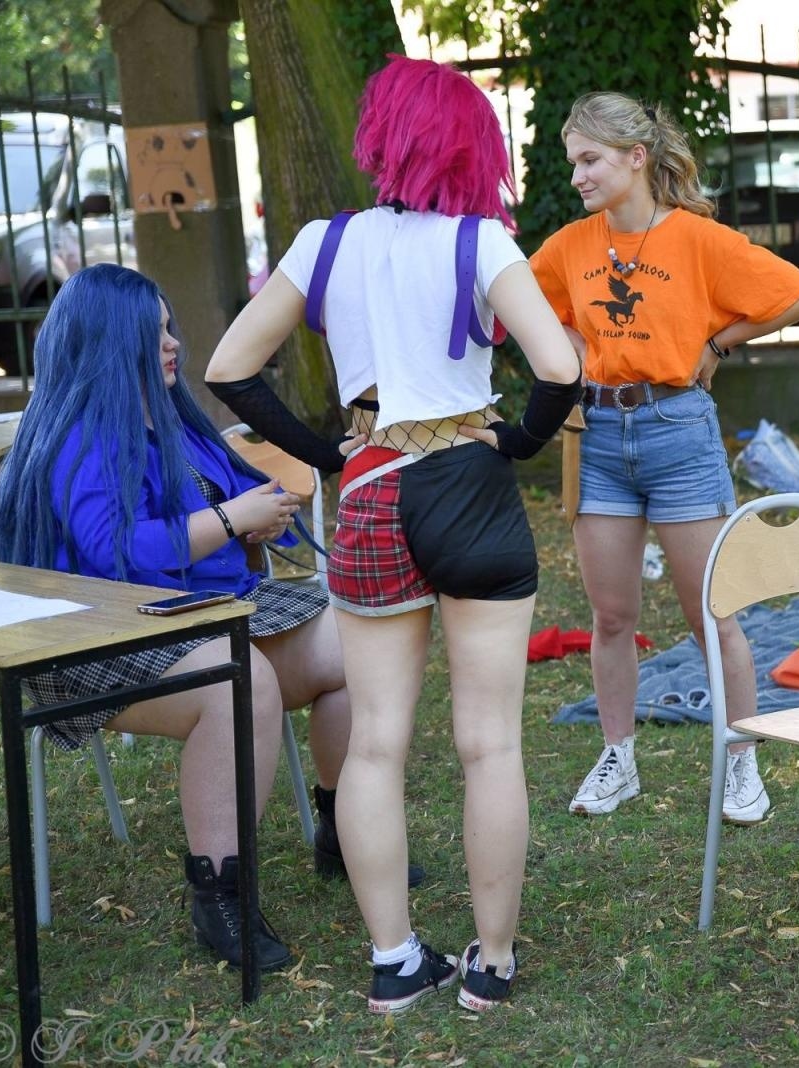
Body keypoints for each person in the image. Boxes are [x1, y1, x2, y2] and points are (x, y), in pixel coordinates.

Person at [205, 56, 579, 1015]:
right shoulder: (483, 242)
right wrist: (519, 441)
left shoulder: (324, 243)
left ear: (382, 135)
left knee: (375, 743)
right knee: (489, 743)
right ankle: (489, 965)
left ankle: (394, 961)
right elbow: (560, 366)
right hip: (470, 481)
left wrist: (333, 456)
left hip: (373, 486)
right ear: (470, 145)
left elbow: (231, 369)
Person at [0, 263, 378, 973]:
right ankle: (218, 893)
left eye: (171, 328)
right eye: (155, 331)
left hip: (211, 614)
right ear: (112, 341)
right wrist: (232, 518)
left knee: (359, 646)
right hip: (107, 640)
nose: (174, 343)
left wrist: (263, 523)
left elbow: (241, 511)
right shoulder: (80, 438)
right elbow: (116, 551)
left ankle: (343, 827)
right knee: (243, 682)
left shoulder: (180, 427)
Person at [528, 91, 799, 823]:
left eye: (590, 160)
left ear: (636, 158)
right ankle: (619, 758)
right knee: (612, 617)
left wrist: (718, 344)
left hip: (679, 433)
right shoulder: (570, 245)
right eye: (574, 163)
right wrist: (577, 353)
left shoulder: (697, 239)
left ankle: (741, 763)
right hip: (598, 439)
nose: (579, 177)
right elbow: (530, 312)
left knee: (712, 617)